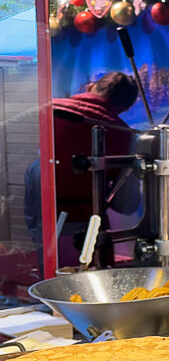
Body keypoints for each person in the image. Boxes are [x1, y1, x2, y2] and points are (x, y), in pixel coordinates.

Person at [25, 72, 140, 266]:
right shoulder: (124, 134)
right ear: (125, 106)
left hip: (43, 228)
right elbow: (126, 204)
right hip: (91, 233)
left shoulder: (49, 109)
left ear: (92, 87)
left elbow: (33, 168)